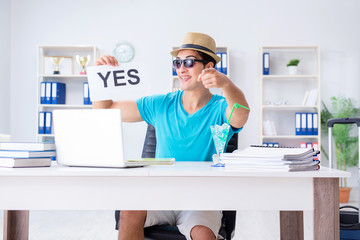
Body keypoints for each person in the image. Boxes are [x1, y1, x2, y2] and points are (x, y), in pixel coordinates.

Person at [94, 32, 249, 240]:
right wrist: (101, 75)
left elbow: (240, 116)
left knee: (202, 233)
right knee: (129, 212)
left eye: (189, 62)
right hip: (160, 193)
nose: (181, 69)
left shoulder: (221, 108)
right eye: (177, 63)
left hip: (201, 199)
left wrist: (227, 85)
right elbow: (108, 109)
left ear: (209, 66)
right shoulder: (160, 104)